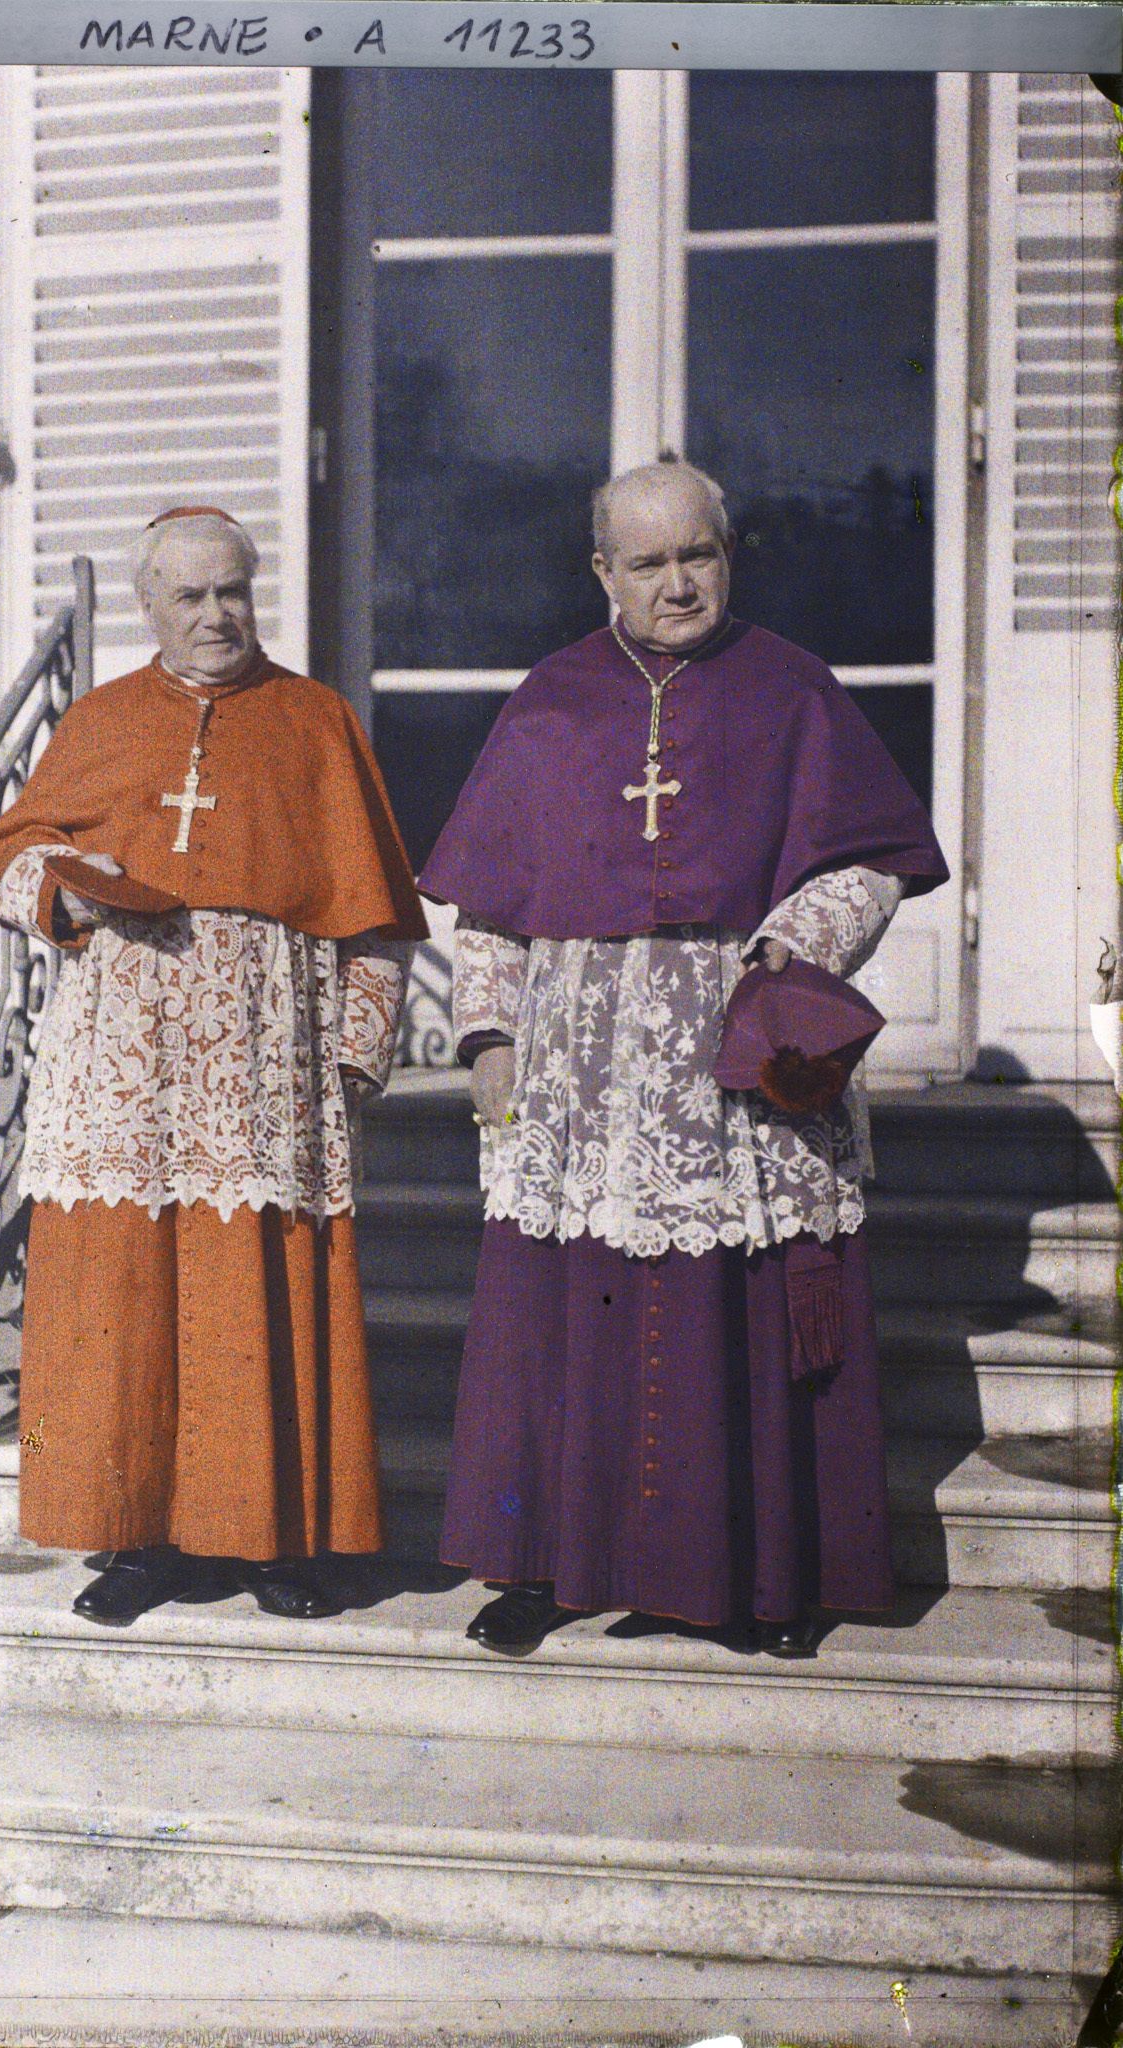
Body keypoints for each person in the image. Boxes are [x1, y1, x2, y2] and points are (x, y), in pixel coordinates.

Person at [417, 460, 949, 1658]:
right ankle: (552, 1567)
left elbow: (873, 859)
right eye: (647, 562)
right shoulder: (548, 701)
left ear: (728, 554)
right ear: (602, 572)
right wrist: (489, 1033)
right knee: (566, 1313)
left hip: (736, 1035)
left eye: (696, 555)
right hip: (582, 1058)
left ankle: (761, 1581)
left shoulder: (792, 687)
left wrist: (796, 938)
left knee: (737, 1309)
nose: (677, 584)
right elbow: (489, 904)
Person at [0, 507, 426, 1625]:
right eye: (190, 596)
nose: (217, 615)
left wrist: (355, 1058)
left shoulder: (315, 720)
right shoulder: (102, 717)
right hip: (125, 1057)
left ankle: (267, 1536)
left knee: (254, 1286)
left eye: (233, 591)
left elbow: (376, 919)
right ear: (150, 606)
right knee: (127, 1288)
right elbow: (8, 848)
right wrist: (68, 893)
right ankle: (141, 1541)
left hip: (265, 1055)